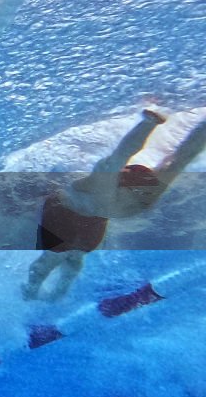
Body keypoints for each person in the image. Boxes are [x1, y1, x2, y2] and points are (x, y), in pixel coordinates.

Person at [23, 109, 206, 301]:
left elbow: (119, 158)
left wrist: (148, 123)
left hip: (84, 216)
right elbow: (177, 160)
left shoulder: (97, 188)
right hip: (94, 220)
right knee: (72, 260)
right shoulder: (125, 195)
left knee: (62, 261)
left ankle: (37, 294)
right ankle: (47, 295)